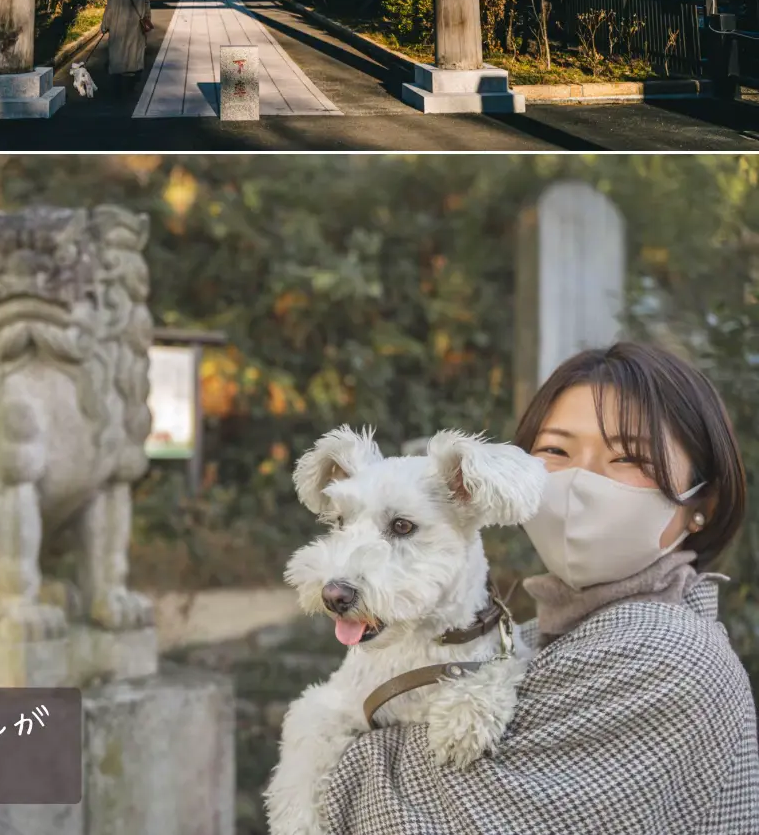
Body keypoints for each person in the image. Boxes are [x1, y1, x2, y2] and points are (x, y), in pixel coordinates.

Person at [325, 342, 758, 835]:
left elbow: (435, 816)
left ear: (701, 503)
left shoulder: (671, 652)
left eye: (629, 458)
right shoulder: (534, 636)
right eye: (555, 450)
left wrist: (320, 751)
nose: (580, 480)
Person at [100, 0, 151, 94]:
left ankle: (118, 87)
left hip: (119, 28)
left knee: (119, 55)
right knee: (134, 54)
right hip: (137, 28)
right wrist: (147, 22)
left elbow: (110, 9)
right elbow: (146, 6)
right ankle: (132, 82)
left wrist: (105, 26)